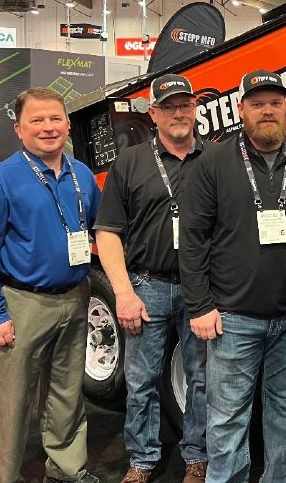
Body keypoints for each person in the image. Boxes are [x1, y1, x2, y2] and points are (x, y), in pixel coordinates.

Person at [180, 69, 286, 483]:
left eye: (275, 102)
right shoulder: (213, 162)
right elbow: (192, 239)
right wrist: (201, 306)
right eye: (257, 103)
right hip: (232, 317)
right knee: (227, 418)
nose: (267, 111)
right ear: (241, 110)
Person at [0, 87, 102, 483]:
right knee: (13, 400)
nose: (48, 128)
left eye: (55, 119)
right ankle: (5, 477)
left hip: (76, 297)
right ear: (18, 129)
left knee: (67, 391)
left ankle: (65, 470)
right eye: (37, 121)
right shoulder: (0, 182)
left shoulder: (81, 175)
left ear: (67, 123)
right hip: (23, 303)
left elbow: (99, 231)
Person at [93, 73, 209, 483]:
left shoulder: (214, 159)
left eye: (186, 105)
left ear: (195, 109)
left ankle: (198, 456)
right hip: (147, 286)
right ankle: (142, 460)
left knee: (201, 379)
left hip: (201, 290)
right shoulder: (131, 162)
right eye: (170, 107)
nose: (179, 113)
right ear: (154, 113)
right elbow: (107, 232)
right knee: (141, 382)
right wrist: (123, 292)